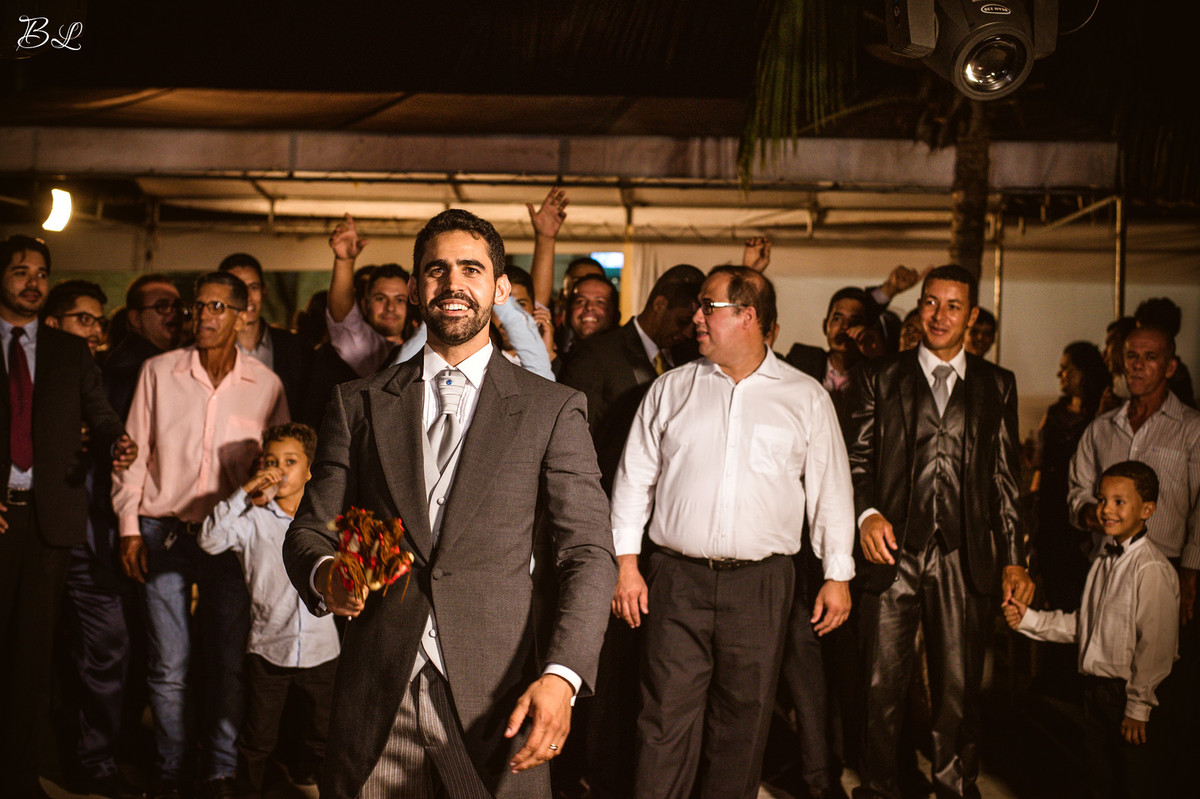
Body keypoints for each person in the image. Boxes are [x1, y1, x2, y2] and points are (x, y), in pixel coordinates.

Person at [282, 208, 616, 799]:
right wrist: (326, 571)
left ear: (500, 288)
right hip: (377, 691)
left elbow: (588, 553)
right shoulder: (357, 403)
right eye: (437, 271)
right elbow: (310, 529)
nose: (453, 284)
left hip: (498, 699)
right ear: (416, 288)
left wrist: (562, 676)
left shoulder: (552, 408)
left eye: (471, 269)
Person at [610, 265, 855, 799]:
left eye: (709, 306)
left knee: (743, 724)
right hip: (676, 581)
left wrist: (837, 575)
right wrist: (626, 564)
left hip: (762, 585)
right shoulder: (670, 390)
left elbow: (831, 490)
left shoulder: (805, 397)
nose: (695, 317)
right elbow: (633, 481)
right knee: (662, 718)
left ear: (748, 316)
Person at [846, 264, 1033, 799]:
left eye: (953, 306)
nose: (939, 315)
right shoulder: (880, 376)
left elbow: (1005, 480)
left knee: (957, 687)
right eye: (931, 302)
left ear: (971, 316)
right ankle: (878, 789)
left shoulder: (997, 384)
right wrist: (866, 514)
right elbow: (854, 461)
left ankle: (955, 787)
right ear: (920, 305)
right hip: (890, 555)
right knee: (880, 686)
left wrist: (1014, 558)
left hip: (963, 555)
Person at [114, 271, 289, 799]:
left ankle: (218, 771)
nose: (204, 316)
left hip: (229, 541)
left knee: (227, 662)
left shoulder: (265, 384)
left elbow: (278, 467)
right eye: (199, 306)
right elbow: (134, 454)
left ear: (242, 314)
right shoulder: (158, 372)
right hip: (161, 531)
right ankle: (171, 771)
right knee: (169, 665)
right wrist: (128, 528)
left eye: (217, 307)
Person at [0, 235, 136, 799]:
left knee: (33, 657)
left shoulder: (67, 350)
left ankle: (18, 776)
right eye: (20, 271)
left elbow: (100, 415)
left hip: (50, 518)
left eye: (41, 273)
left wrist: (116, 442)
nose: (33, 281)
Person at [1005, 461, 1179, 799]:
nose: (1105, 510)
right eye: (1101, 499)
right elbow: (1084, 624)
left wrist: (1138, 708)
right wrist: (1030, 620)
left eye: (1119, 501)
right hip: (1095, 694)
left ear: (1147, 510)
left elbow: (1156, 647)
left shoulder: (1151, 569)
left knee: (1135, 784)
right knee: (1100, 782)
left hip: (1129, 696)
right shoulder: (1102, 560)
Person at [199, 422, 338, 796]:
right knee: (257, 739)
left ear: (309, 470)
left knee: (322, 735)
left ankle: (311, 784)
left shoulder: (327, 523)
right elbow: (209, 539)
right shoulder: (251, 522)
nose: (279, 470)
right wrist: (246, 490)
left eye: (290, 461)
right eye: (271, 461)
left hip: (322, 652)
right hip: (268, 650)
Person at [1031, 342, 1111, 612]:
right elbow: (1041, 463)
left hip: (1083, 510)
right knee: (1052, 584)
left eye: (1068, 369)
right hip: (1051, 508)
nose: (1061, 375)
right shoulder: (1055, 413)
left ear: (1085, 372)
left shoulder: (1102, 414)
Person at [219, 253, 313, 416]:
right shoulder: (206, 350)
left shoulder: (296, 348)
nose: (247, 297)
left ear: (264, 291)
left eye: (253, 287)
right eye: (238, 288)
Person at [324, 214, 413, 375]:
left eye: (399, 300)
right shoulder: (363, 345)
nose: (390, 307)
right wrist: (344, 261)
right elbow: (343, 313)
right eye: (380, 298)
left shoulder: (424, 343)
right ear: (365, 305)